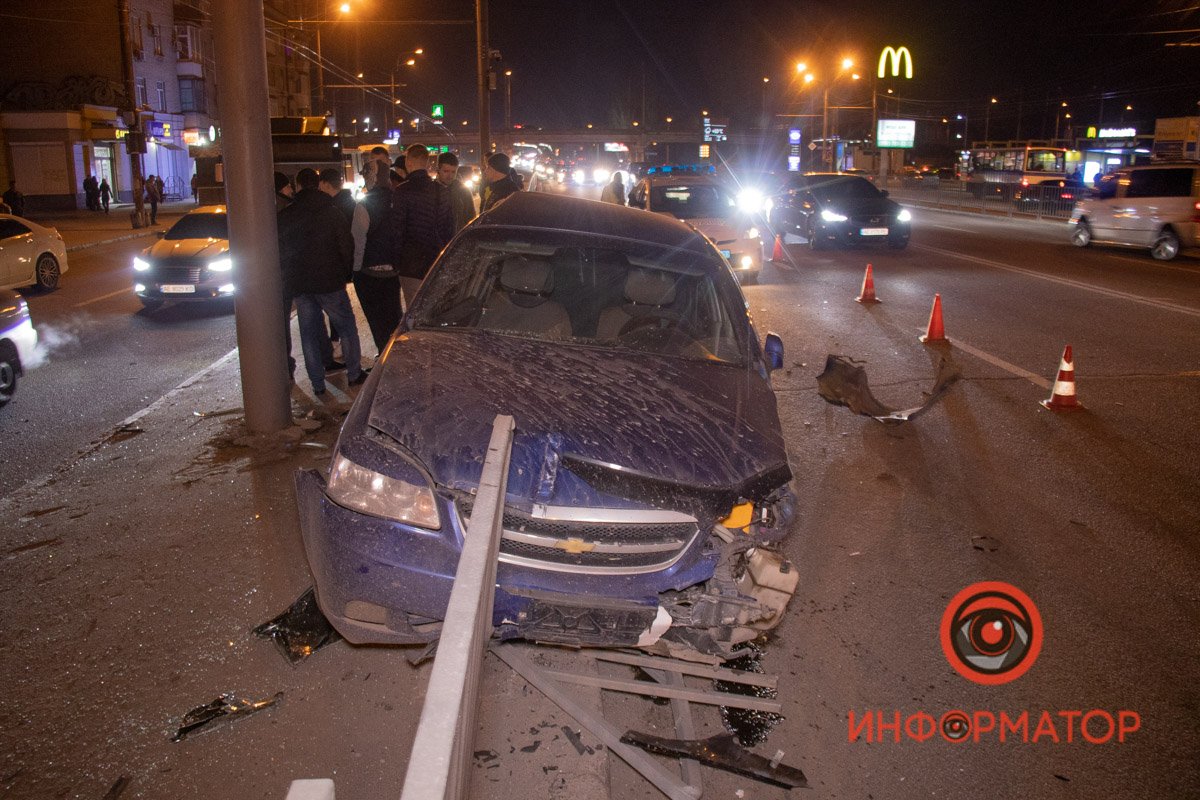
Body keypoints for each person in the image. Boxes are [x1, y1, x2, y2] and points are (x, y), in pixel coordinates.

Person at [276, 168, 366, 396]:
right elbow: (346, 247)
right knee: (347, 328)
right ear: (318, 184)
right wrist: (346, 274)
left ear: (297, 185)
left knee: (308, 334)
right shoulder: (331, 212)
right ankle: (354, 374)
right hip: (330, 281)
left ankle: (317, 384)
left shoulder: (286, 215)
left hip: (300, 285)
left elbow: (281, 251)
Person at [389, 143, 454, 312]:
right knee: (435, 310)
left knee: (414, 312)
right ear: (426, 163)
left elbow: (397, 231)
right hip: (436, 262)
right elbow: (449, 229)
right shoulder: (441, 190)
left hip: (411, 264)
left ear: (408, 163)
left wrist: (396, 263)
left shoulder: (402, 191)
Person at [350, 159, 400, 354]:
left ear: (373, 177)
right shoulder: (397, 199)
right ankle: (394, 354)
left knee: (377, 320)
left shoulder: (365, 204)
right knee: (393, 316)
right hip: (394, 269)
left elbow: (358, 241)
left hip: (369, 271)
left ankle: (383, 355)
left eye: (366, 175)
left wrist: (356, 270)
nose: (365, 179)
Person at [436, 151, 476, 234]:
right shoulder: (430, 190)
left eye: (453, 172)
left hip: (456, 238)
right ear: (438, 170)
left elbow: (471, 217)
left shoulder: (463, 191)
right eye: (446, 171)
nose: (450, 176)